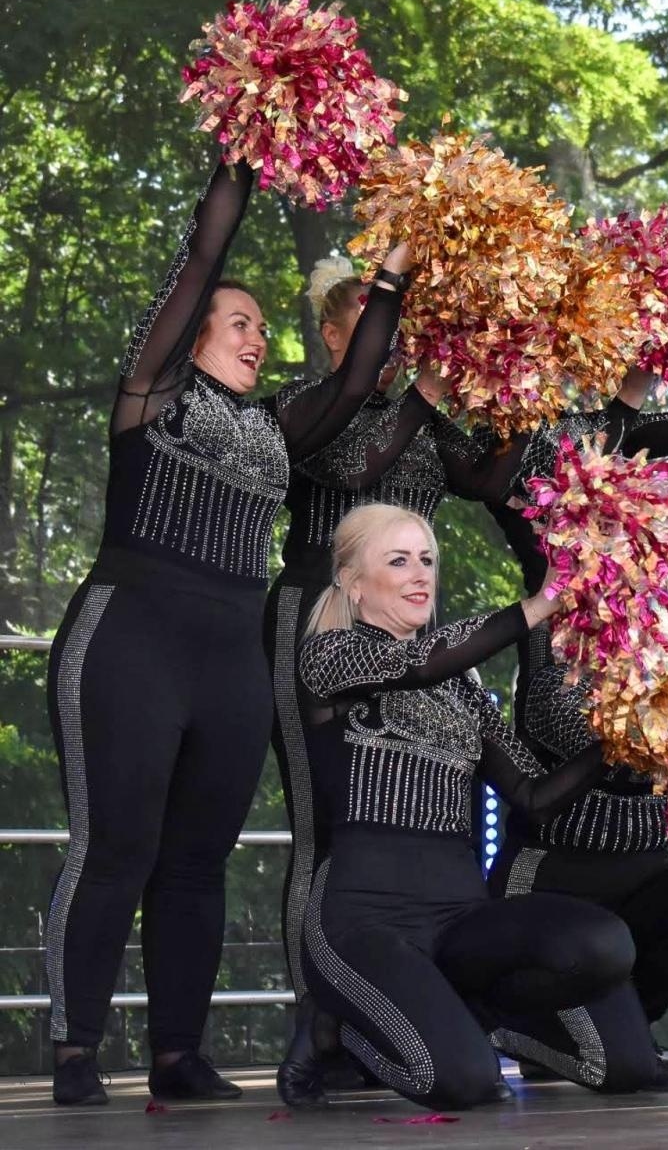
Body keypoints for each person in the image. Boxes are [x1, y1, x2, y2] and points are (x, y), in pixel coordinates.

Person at [45, 156, 413, 1107]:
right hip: (131, 635)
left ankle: (177, 1054)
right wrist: (249, 154)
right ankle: (76, 1049)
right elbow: (205, 248)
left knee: (198, 859)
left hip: (228, 655)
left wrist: (399, 269)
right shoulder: (155, 390)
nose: (256, 338)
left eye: (258, 327)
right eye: (240, 322)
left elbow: (361, 373)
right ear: (195, 331)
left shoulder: (273, 426)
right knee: (114, 845)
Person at [292, 504, 661, 1109]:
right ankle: (339, 1030)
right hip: (364, 918)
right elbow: (415, 663)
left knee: (621, 1035)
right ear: (355, 583)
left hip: (459, 918)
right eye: (399, 560)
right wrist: (538, 606)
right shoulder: (330, 656)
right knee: (466, 1083)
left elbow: (534, 798)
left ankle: (477, 1014)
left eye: (428, 560)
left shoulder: (462, 687)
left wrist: (616, 743)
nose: (420, 574)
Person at [268, 256, 532, 1100]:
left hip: (411, 631)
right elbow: (355, 468)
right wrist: (421, 383)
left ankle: (408, 1003)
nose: (389, 352)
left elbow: (488, 479)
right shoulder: (323, 408)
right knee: (325, 825)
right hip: (328, 616)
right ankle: (322, 1007)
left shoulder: (417, 415)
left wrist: (527, 389)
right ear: (337, 334)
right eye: (373, 332)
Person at [487, 354, 668, 1091]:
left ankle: (614, 1022)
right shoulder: (554, 609)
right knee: (629, 1070)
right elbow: (558, 723)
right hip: (556, 877)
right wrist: (657, 723)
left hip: (642, 871)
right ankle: (528, 1018)